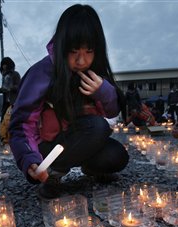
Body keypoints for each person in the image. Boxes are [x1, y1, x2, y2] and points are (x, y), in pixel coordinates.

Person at [8, 4, 129, 199]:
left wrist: (104, 92)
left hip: (81, 138)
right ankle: (53, 174)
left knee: (116, 156)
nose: (82, 61)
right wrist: (29, 158)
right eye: (74, 51)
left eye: (89, 51)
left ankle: (89, 168)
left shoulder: (95, 74)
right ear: (63, 44)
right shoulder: (42, 73)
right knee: (98, 127)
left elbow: (112, 112)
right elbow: (21, 125)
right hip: (48, 147)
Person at [0, 57, 21, 123]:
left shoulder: (15, 74)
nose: (4, 66)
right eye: (2, 65)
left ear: (9, 65)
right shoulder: (4, 76)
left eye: (5, 64)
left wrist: (11, 88)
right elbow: (4, 88)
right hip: (6, 102)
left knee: (14, 121)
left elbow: (19, 86)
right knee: (4, 121)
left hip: (14, 101)